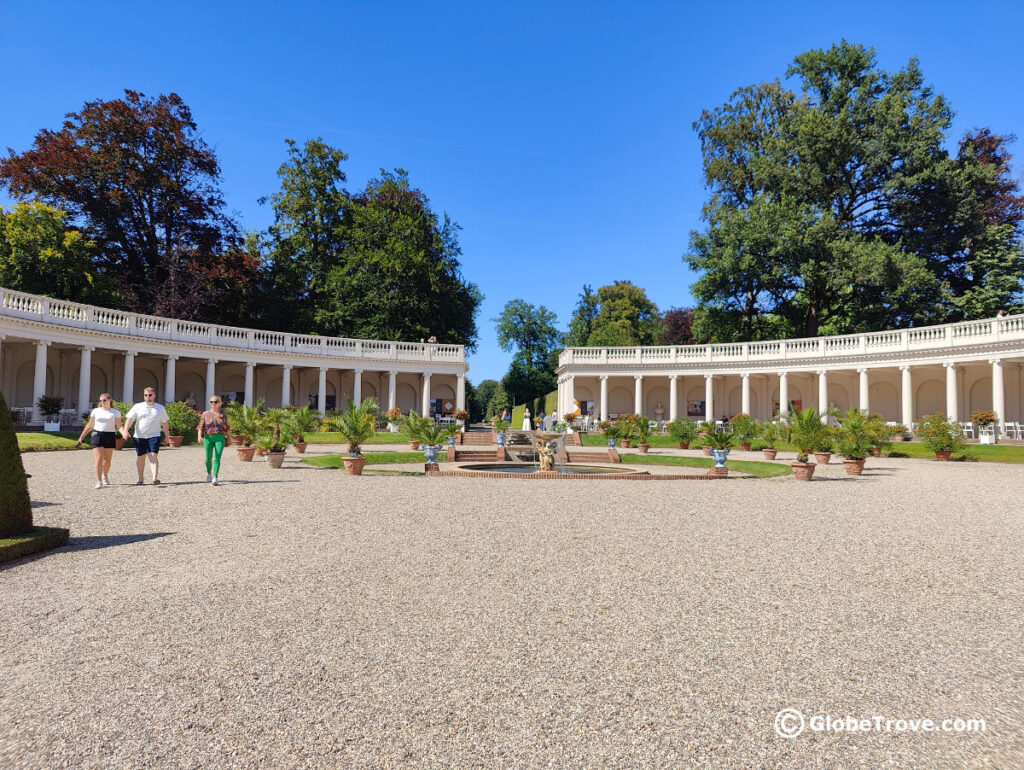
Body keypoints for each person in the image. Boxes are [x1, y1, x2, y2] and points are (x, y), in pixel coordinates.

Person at [122, 387, 170, 485]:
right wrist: (125, 431)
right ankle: (140, 479)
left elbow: (164, 423)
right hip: (139, 436)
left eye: (150, 395)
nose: (148, 397)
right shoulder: (137, 406)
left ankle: (155, 478)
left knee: (153, 456)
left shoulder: (160, 408)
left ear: (154, 395)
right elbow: (130, 419)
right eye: (146, 395)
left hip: (154, 435)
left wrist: (167, 436)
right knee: (141, 457)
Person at [75, 393, 122, 489]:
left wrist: (124, 432)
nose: (102, 402)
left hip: (109, 435)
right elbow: (90, 425)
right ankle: (99, 481)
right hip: (97, 434)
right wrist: (82, 436)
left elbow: (119, 426)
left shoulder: (115, 412)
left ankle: (105, 475)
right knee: (99, 458)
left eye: (104, 400)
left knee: (107, 461)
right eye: (101, 401)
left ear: (110, 400)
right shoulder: (96, 411)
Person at [198, 395, 232, 486]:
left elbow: (227, 427)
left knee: (217, 457)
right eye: (211, 402)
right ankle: (209, 474)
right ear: (209, 403)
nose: (213, 403)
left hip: (220, 437)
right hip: (208, 438)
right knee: (208, 458)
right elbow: (201, 426)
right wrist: (199, 436)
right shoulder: (205, 414)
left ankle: (215, 477)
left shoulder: (223, 414)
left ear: (220, 403)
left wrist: (229, 438)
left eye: (216, 401)